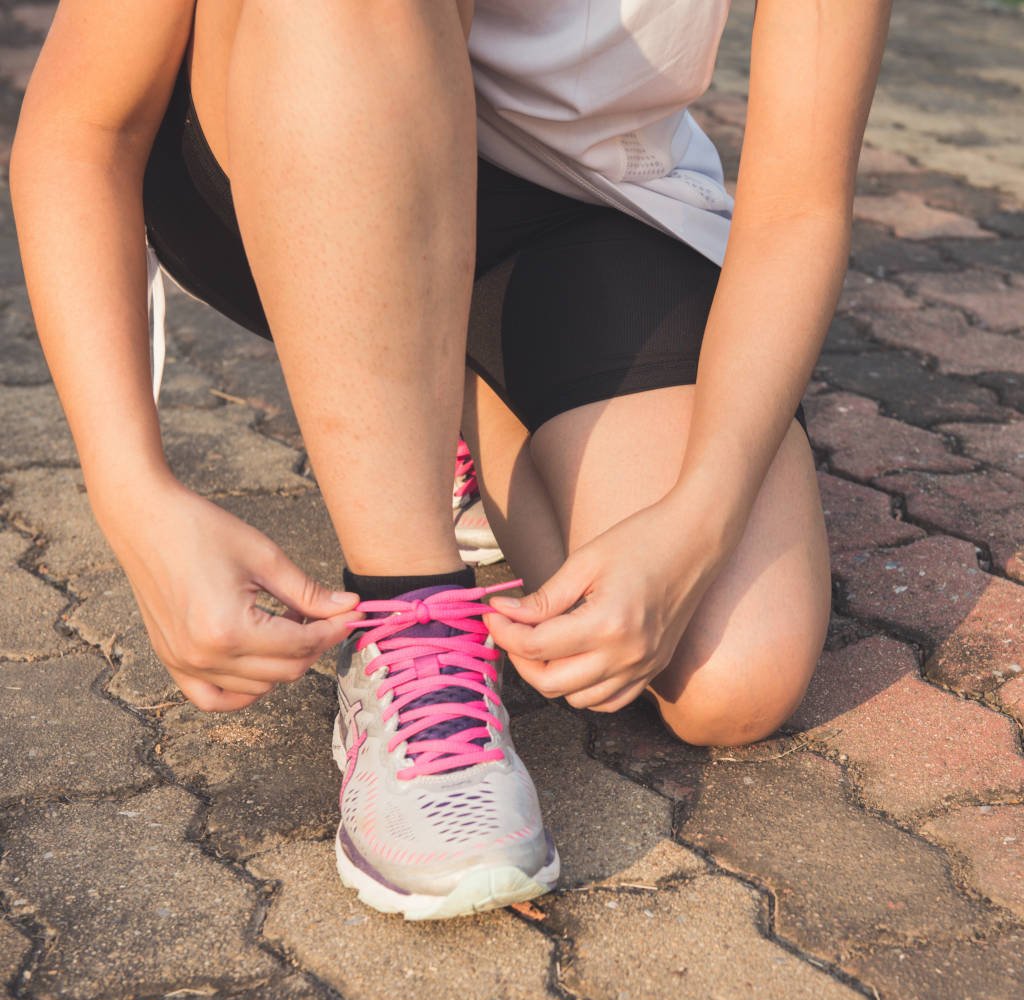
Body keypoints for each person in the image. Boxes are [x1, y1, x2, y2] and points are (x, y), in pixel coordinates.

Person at [10, 0, 892, 918]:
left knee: (730, 675)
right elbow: (80, 129)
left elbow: (799, 203)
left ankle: (436, 401)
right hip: (290, 121)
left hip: (582, 202)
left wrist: (697, 520)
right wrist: (132, 491)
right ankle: (410, 618)